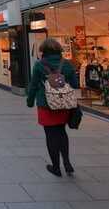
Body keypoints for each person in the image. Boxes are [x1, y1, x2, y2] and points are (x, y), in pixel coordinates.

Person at [27, 38, 78, 177]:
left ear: (44, 51)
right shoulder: (66, 64)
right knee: (62, 132)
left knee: (50, 135)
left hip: (46, 104)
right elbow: (75, 84)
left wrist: (30, 101)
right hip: (64, 104)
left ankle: (56, 167)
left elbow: (33, 85)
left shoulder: (39, 65)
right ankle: (67, 163)